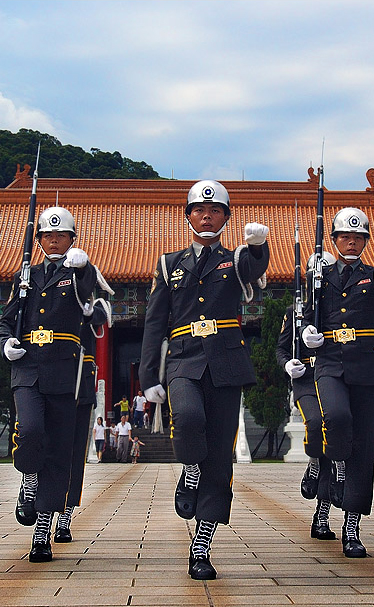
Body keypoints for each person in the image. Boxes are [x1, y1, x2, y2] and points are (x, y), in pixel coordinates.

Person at [139, 179, 269, 580]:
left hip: (226, 365)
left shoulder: (235, 261)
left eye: (215, 211)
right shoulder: (168, 263)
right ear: (188, 216)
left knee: (219, 458)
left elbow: (255, 267)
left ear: (226, 218)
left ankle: (202, 544)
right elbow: (155, 322)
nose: (206, 215)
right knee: (190, 419)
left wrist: (259, 245)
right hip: (183, 361)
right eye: (199, 210)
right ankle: (188, 470)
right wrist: (148, 376)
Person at [302, 207, 374, 558]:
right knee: (334, 419)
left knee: (362, 443)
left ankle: (351, 524)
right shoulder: (319, 273)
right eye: (345, 236)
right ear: (333, 240)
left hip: (364, 364)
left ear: (366, 241)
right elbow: (305, 312)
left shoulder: (373, 274)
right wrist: (308, 333)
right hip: (330, 361)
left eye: (358, 236)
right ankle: (329, 481)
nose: (351, 241)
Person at [0, 206, 97, 563]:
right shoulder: (24, 276)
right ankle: (28, 480)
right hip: (27, 369)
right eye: (48, 235)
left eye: (62, 235)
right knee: (31, 431)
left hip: (64, 374)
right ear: (38, 240)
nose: (54, 240)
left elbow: (91, 300)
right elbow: (5, 320)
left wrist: (82, 268)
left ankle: (42, 530)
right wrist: (5, 341)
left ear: (72, 239)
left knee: (58, 455)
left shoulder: (78, 273)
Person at [276, 252, 340, 542]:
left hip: (336, 379)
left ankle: (322, 516)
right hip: (307, 379)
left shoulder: (341, 309)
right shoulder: (295, 312)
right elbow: (281, 349)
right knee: (315, 425)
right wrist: (288, 364)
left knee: (334, 446)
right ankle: (312, 462)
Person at [55, 297, 111, 543]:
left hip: (80, 385)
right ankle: (43, 508)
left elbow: (102, 314)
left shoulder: (88, 297)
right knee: (48, 450)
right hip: (49, 380)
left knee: (75, 455)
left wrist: (87, 310)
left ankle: (65, 515)